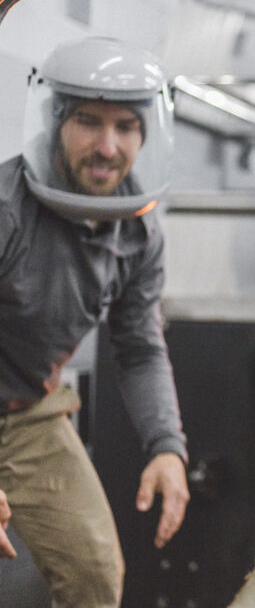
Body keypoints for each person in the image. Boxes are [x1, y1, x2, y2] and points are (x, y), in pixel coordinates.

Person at [0, 36, 189, 606]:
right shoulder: (6, 211)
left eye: (126, 126)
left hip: (28, 412)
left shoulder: (139, 232)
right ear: (57, 121)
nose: (108, 147)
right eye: (88, 121)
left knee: (95, 576)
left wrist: (167, 445)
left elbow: (140, 347)